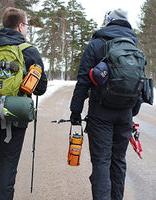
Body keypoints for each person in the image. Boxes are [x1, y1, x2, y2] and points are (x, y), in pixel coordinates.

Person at [0, 7, 47, 200]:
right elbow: (41, 88)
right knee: (9, 162)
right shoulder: (29, 51)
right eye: (26, 26)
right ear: (20, 26)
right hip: (15, 114)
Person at [70, 8, 142, 200]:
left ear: (108, 21)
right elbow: (139, 82)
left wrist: (75, 111)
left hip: (101, 113)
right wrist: (132, 111)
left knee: (101, 162)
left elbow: (84, 80)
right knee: (118, 161)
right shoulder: (134, 46)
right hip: (125, 113)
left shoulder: (97, 43)